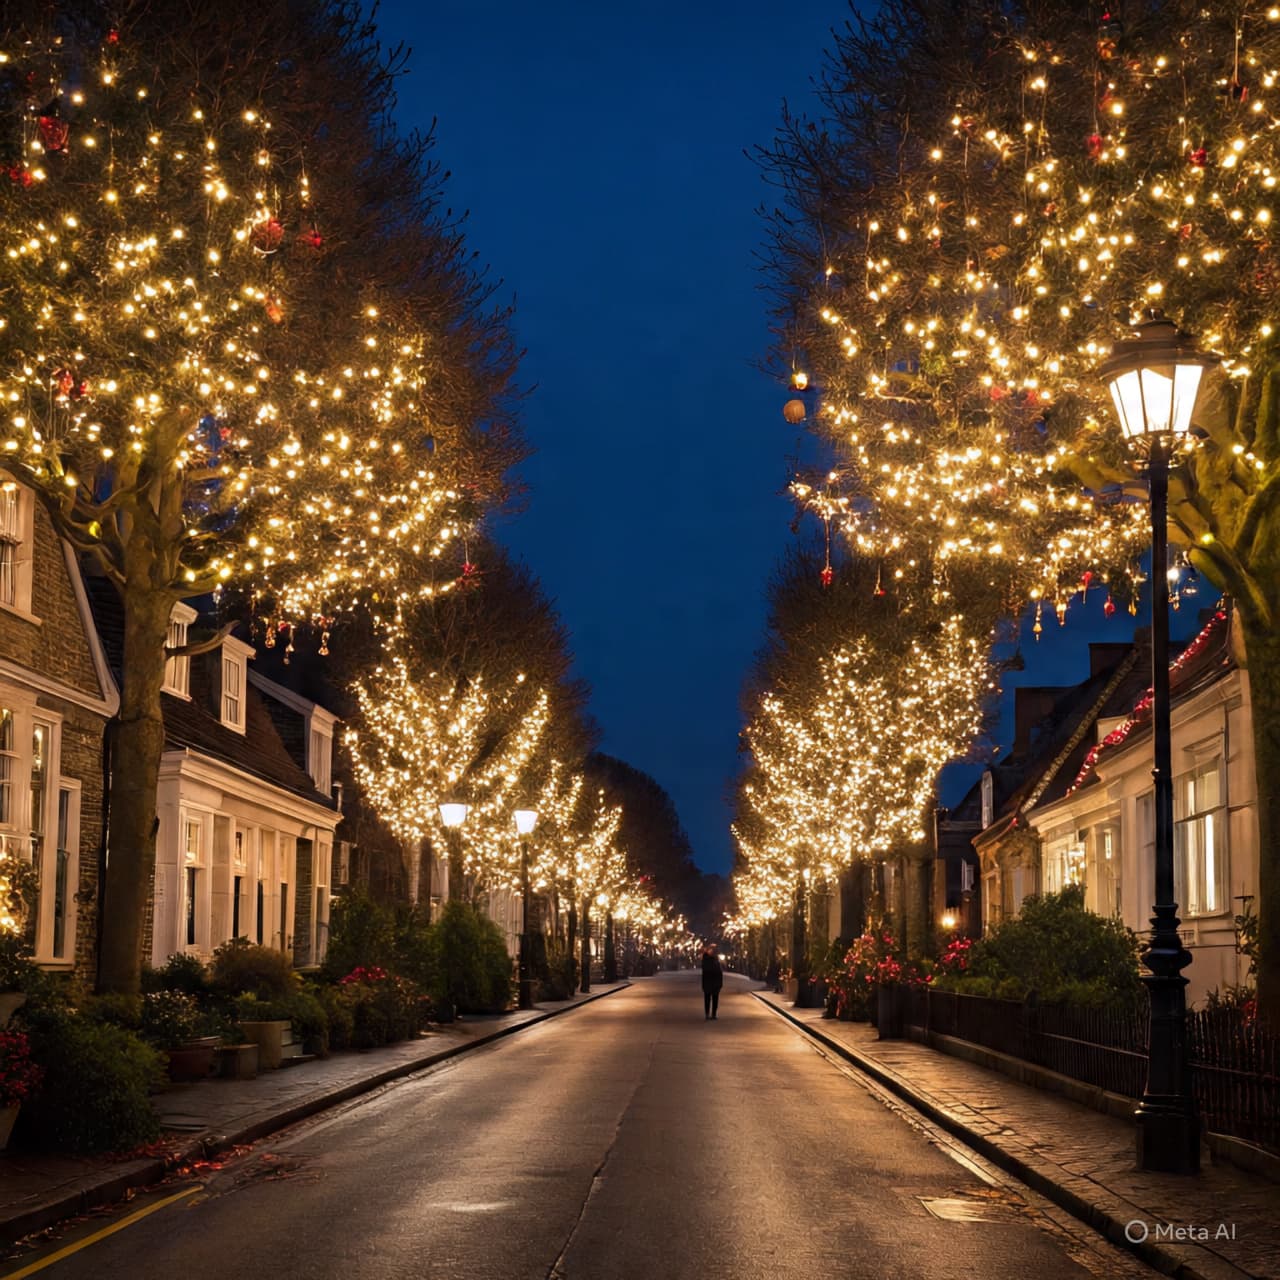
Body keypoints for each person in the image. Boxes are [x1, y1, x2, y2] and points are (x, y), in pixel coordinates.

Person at [701, 943, 723, 1020]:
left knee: (715, 999)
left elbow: (719, 972)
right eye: (712, 949)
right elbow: (706, 970)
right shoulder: (706, 958)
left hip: (715, 983)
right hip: (708, 982)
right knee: (707, 998)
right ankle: (707, 1014)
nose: (713, 951)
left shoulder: (716, 959)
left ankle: (713, 1014)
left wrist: (720, 983)